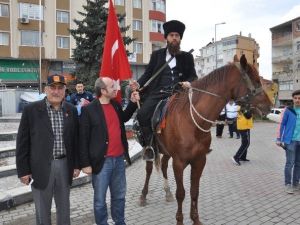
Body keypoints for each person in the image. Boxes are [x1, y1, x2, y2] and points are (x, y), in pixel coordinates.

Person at [16, 74, 80, 225]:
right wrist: (23, 170)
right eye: (53, 88)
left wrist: (76, 165)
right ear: (45, 90)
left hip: (64, 165)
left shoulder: (71, 110)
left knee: (64, 209)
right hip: (40, 167)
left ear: (65, 91)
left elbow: (75, 140)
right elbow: (22, 142)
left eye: (60, 88)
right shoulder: (31, 111)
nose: (56, 92)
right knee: (42, 211)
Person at [130, 20, 197, 160]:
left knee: (199, 111)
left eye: (177, 35)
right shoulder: (157, 55)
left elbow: (193, 76)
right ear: (166, 37)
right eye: (171, 35)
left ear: (180, 38)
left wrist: (188, 82)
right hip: (159, 92)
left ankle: (198, 143)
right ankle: (149, 146)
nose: (174, 38)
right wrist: (138, 83)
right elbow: (148, 74)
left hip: (180, 93)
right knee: (142, 114)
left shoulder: (187, 57)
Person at [79, 77, 140, 225]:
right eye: (112, 86)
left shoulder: (116, 104)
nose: (116, 88)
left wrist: (132, 102)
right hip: (101, 162)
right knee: (100, 200)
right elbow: (83, 138)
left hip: (119, 159)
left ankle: (120, 222)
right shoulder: (89, 109)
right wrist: (85, 164)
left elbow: (124, 118)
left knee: (119, 196)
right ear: (103, 91)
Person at [276, 90, 300, 194]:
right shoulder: (288, 110)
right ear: (293, 99)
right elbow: (282, 125)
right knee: (290, 163)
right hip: (290, 141)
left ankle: (295, 183)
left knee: (299, 164)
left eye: (299, 98)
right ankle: (288, 184)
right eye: (295, 98)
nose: (297, 100)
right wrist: (278, 138)